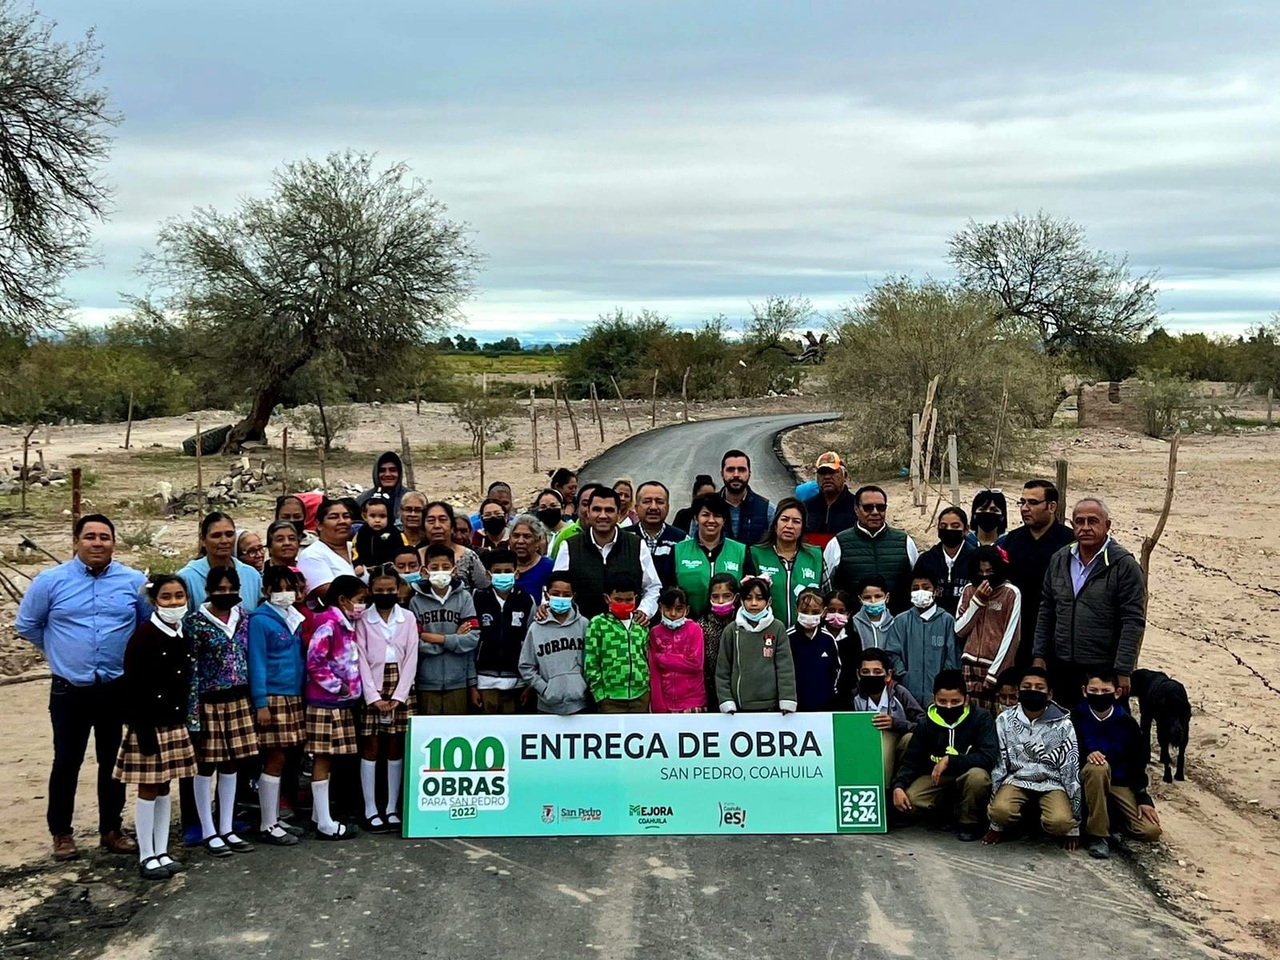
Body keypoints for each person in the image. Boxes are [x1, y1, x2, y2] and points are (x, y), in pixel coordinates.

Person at [16, 513, 147, 861]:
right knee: (66, 761)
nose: (97, 543)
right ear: (75, 542)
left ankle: (111, 829)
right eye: (90, 537)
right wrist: (60, 651)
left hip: (114, 687)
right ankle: (61, 833)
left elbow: (145, 626)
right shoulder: (50, 582)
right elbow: (27, 625)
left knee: (113, 761)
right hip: (69, 688)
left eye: (105, 537)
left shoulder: (133, 582)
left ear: (114, 543)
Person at [113, 574, 198, 879]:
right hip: (149, 724)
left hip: (173, 722)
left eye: (179, 596)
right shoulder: (143, 637)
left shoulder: (182, 635)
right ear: (153, 602)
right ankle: (146, 854)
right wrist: (142, 730)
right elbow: (133, 688)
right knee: (148, 787)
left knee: (165, 786)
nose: (175, 603)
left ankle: (162, 850)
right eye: (167, 597)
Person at [1032, 497, 1146, 704]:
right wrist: (1039, 655)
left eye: (1093, 521)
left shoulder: (1124, 566)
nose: (1085, 527)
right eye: (1079, 521)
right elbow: (1047, 609)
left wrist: (1123, 669)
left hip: (1103, 670)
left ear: (1107, 525)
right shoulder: (1059, 559)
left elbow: (1132, 621)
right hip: (1062, 664)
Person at [185, 566, 258, 858]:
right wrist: (193, 712)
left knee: (231, 764)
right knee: (206, 765)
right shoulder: (195, 623)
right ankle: (208, 829)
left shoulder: (243, 619)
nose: (226, 593)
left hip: (238, 699)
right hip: (209, 701)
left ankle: (227, 827)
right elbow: (190, 671)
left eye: (231, 588)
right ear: (208, 590)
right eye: (220, 589)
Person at [890, 669, 998, 842]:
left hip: (968, 775)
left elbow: (989, 757)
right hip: (936, 779)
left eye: (955, 701)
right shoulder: (926, 723)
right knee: (910, 800)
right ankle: (942, 812)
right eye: (942, 701)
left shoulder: (982, 718)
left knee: (978, 777)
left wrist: (951, 760)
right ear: (934, 699)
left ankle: (968, 822)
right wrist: (898, 786)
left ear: (966, 700)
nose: (948, 707)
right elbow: (911, 761)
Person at [984, 666, 1081, 848]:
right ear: (1019, 691)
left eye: (1039, 688)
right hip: (1016, 780)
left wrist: (1074, 826)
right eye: (1027, 687)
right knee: (1000, 812)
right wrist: (995, 824)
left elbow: (1070, 768)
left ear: (1050, 694)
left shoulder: (1064, 724)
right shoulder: (1005, 720)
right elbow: (1000, 766)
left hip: (1052, 782)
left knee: (1060, 822)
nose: (1033, 691)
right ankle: (1010, 823)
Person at [247, 566, 307, 846]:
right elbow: (257, 662)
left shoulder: (293, 617)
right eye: (279, 588)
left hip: (293, 695)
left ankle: (273, 817)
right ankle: (268, 823)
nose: (286, 594)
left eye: (290, 587)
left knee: (284, 758)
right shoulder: (260, 621)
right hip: (272, 696)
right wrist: (261, 703)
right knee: (275, 757)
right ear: (266, 591)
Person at [1073, 671, 1161, 859]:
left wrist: (1143, 798)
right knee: (1098, 768)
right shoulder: (1075, 717)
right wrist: (1086, 755)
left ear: (1117, 693)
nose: (1099, 695)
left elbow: (1138, 764)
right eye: (1093, 690)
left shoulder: (1127, 723)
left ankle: (1113, 821)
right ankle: (1098, 835)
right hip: (1087, 780)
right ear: (1084, 691)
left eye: (1105, 690)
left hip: (1119, 783)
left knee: (1149, 831)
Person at [355, 567, 417, 834]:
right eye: (379, 591)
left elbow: (412, 656)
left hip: (401, 687)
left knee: (395, 747)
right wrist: (373, 697)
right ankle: (371, 808)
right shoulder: (362, 620)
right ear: (371, 591)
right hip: (373, 686)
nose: (385, 594)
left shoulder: (409, 618)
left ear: (398, 589)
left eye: (390, 590)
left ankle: (391, 807)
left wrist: (399, 696)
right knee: (371, 747)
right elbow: (359, 658)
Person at [305, 575, 365, 841]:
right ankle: (325, 823)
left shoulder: (346, 624)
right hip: (325, 702)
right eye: (360, 600)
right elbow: (315, 662)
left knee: (329, 759)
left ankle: (320, 814)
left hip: (341, 702)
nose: (362, 606)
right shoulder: (328, 625)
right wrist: (338, 686)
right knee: (322, 757)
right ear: (343, 600)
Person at [554, 488, 661, 620]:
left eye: (609, 510)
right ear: (588, 512)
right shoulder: (569, 547)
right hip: (582, 631)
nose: (603, 515)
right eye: (597, 509)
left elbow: (653, 587)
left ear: (618, 513)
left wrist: (643, 611)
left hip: (627, 632)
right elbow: (557, 588)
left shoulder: (637, 545)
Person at [1001, 479, 1075, 669]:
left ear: (1051, 507)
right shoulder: (1011, 541)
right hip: (1016, 634)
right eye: (1022, 502)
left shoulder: (1070, 544)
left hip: (1057, 638)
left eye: (1032, 503)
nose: (1025, 508)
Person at [822, 486, 919, 614]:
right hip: (853, 625)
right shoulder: (838, 543)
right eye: (868, 508)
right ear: (856, 509)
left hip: (898, 624)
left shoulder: (905, 541)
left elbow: (918, 582)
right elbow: (825, 587)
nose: (875, 512)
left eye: (880, 507)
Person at [410, 544, 480, 714]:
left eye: (446, 567)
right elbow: (415, 643)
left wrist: (438, 639)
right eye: (435, 568)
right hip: (426, 682)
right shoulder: (416, 602)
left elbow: (472, 638)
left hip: (458, 681)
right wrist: (454, 639)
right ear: (425, 571)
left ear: (454, 570)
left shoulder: (464, 598)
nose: (440, 571)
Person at [715, 575, 797, 714]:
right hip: (739, 707)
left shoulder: (777, 628)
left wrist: (787, 700)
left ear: (769, 601)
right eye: (748, 598)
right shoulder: (731, 630)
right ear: (741, 600)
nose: (754, 603)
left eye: (759, 598)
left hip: (771, 706)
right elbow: (723, 670)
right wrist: (726, 700)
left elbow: (785, 668)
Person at [954, 546, 1022, 712]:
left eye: (989, 571)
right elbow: (959, 629)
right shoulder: (969, 590)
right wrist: (977, 602)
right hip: (969, 665)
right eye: (980, 571)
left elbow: (1011, 637)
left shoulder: (1011, 593)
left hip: (996, 666)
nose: (985, 575)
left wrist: (994, 674)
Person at [883, 566, 960, 708]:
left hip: (939, 697)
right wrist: (905, 675)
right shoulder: (901, 621)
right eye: (915, 588)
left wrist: (943, 684)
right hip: (907, 693)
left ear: (936, 591)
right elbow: (892, 653)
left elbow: (952, 658)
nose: (921, 592)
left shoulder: (947, 621)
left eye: (926, 587)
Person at [847, 647, 924, 788]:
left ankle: (891, 789)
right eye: (866, 672)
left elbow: (923, 725)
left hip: (898, 752)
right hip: (863, 749)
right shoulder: (852, 697)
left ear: (888, 675)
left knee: (908, 739)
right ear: (858, 675)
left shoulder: (900, 693)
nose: (871, 676)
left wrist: (896, 723)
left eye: (877, 672)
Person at [473, 549, 535, 713]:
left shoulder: (526, 600)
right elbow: (471, 642)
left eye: (507, 571)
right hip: (484, 681)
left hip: (517, 681)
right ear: (488, 574)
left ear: (516, 573)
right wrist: (471, 684)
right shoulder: (477, 599)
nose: (502, 575)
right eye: (497, 572)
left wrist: (529, 684)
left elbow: (532, 643)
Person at [518, 572, 589, 715]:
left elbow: (592, 661)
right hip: (547, 706)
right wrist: (544, 689)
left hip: (581, 704)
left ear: (573, 597)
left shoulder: (584, 625)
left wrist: (583, 686)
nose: (561, 598)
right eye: (556, 593)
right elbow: (526, 666)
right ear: (547, 595)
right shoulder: (536, 628)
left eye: (566, 594)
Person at [747, 497, 823, 629]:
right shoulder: (755, 554)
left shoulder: (816, 556)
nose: (789, 526)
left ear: (802, 527)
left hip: (806, 634)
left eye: (796, 521)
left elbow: (826, 594)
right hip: (767, 633)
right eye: (784, 519)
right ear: (775, 524)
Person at [584, 573, 652, 713]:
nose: (624, 604)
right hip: (610, 699)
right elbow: (591, 662)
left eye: (629, 600)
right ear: (607, 598)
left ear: (636, 599)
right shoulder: (598, 624)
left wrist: (647, 689)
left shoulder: (641, 624)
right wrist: (600, 695)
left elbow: (648, 657)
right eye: (618, 600)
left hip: (641, 696)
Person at [673, 493, 746, 617]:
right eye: (705, 515)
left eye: (717, 516)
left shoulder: (740, 551)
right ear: (696, 518)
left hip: (730, 627)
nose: (711, 520)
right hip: (688, 626)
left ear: (724, 520)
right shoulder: (678, 550)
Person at [178, 512, 263, 613]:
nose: (224, 540)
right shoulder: (187, 578)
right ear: (203, 540)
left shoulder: (251, 575)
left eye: (229, 534)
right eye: (216, 535)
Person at [647, 586, 706, 713]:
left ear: (687, 610)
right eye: (668, 608)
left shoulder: (695, 629)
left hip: (693, 701)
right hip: (665, 703)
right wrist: (658, 705)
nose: (673, 614)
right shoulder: (655, 632)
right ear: (660, 607)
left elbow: (696, 663)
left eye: (679, 609)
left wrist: (662, 658)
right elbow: (654, 672)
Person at [913, 507, 975, 617]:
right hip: (933, 625)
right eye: (943, 526)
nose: (949, 529)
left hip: (967, 624)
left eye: (955, 526)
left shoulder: (976, 558)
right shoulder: (926, 560)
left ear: (966, 530)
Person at [788, 587, 841, 711]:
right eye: (805, 611)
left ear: (824, 612)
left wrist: (831, 693)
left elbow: (836, 669)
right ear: (797, 610)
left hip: (824, 705)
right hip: (794, 706)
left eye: (815, 611)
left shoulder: (828, 639)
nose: (809, 616)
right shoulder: (787, 638)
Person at [296, 500, 358, 603]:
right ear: (319, 524)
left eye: (346, 516)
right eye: (334, 517)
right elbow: (328, 592)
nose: (342, 521)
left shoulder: (358, 548)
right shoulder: (311, 555)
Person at [628, 480, 687, 587]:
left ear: (668, 508)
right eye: (647, 501)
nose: (654, 507)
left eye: (659, 502)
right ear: (636, 508)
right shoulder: (623, 537)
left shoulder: (682, 540)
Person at [420, 501, 490, 590]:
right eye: (431, 521)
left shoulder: (469, 557)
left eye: (442, 520)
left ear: (452, 526)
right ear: (423, 527)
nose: (437, 526)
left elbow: (484, 588)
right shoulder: (414, 557)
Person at [717, 450, 776, 545]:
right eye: (730, 469)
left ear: (749, 474)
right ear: (722, 473)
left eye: (741, 470)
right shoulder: (707, 508)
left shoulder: (767, 510)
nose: (736, 475)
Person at [697, 574, 738, 708]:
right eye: (715, 596)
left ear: (735, 597)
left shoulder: (742, 623)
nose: (721, 601)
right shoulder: (702, 626)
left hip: (740, 686)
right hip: (711, 689)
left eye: (726, 596)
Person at [802, 451, 857, 548]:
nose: (827, 477)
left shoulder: (858, 507)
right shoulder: (805, 507)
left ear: (845, 476)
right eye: (822, 473)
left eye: (832, 472)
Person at [549, 482, 605, 558]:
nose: (590, 510)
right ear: (578, 507)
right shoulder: (564, 536)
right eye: (585, 504)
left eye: (596, 505)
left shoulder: (621, 532)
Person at [509, 514, 554, 602]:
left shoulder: (549, 567)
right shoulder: (502, 566)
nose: (520, 541)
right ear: (510, 539)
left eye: (527, 536)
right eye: (516, 536)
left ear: (537, 540)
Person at [353, 494, 404, 569]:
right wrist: (357, 564)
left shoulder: (394, 532)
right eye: (372, 516)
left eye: (382, 516)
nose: (377, 520)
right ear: (365, 516)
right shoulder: (362, 532)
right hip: (367, 568)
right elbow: (355, 550)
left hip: (391, 568)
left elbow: (403, 550)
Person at [849, 576, 895, 653]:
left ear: (887, 597)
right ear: (860, 600)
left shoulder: (895, 623)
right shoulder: (853, 623)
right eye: (867, 597)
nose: (873, 601)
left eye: (878, 596)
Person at [356, 451, 406, 521]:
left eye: (392, 470)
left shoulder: (410, 499)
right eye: (382, 470)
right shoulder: (363, 499)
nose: (387, 474)